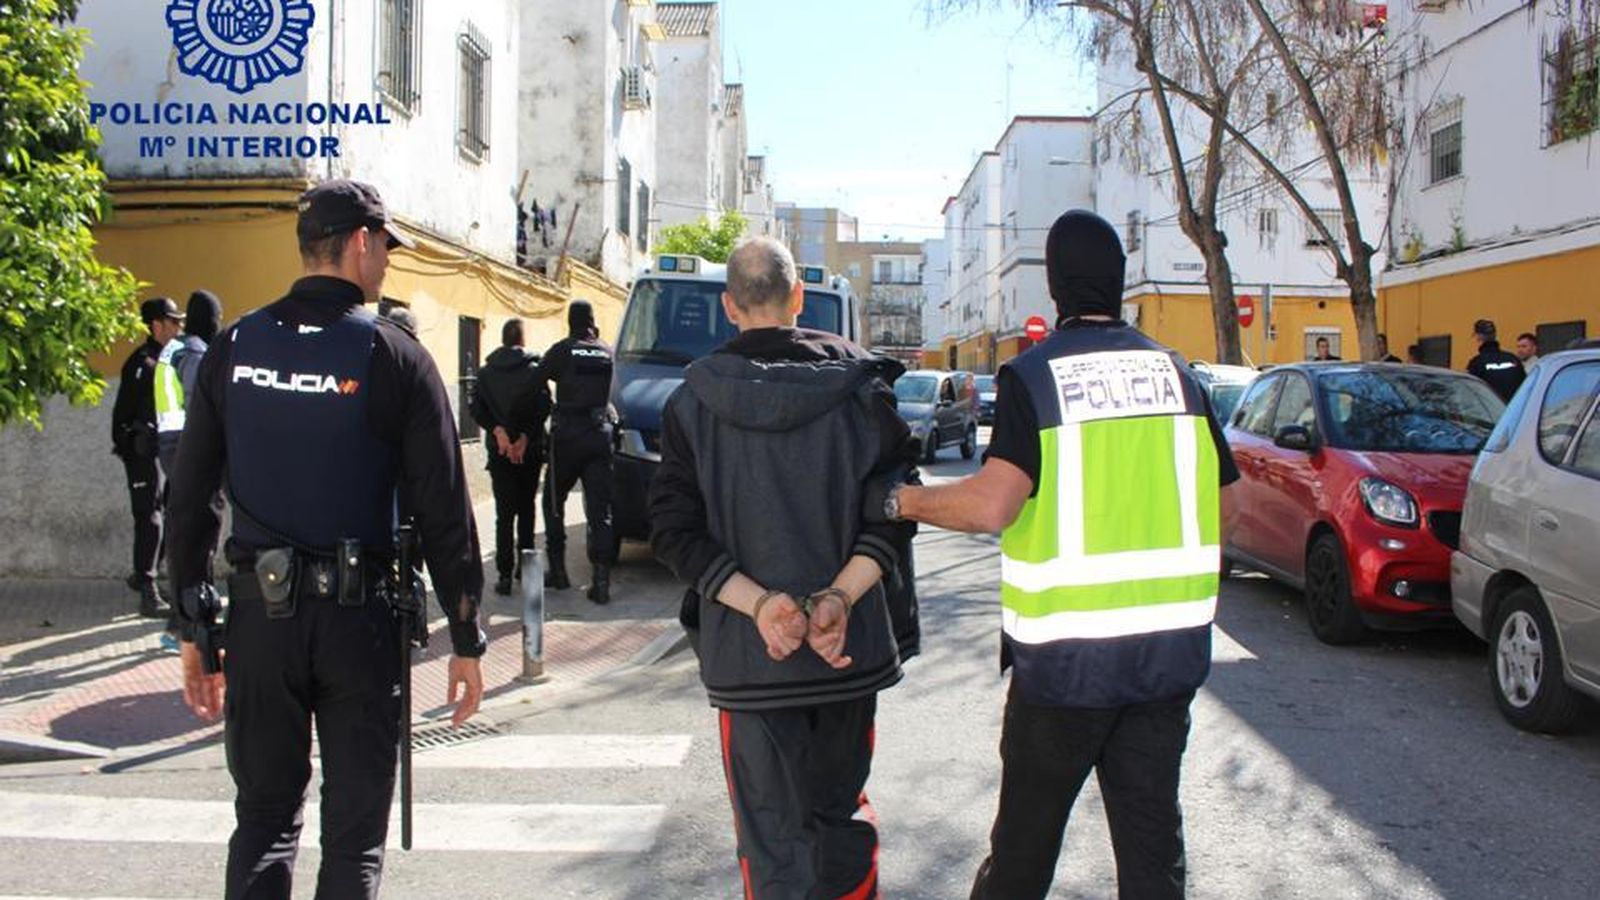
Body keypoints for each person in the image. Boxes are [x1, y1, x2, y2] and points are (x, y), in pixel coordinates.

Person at [870, 211, 1238, 900]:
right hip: (1165, 663)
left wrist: (901, 503)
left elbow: (991, 506)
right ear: (1120, 285)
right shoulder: (1180, 378)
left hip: (1066, 671)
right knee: (1153, 854)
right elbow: (1229, 509)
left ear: (1057, 290)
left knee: (1023, 854)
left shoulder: (1036, 377)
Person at [165, 179, 487, 900]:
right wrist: (465, 635)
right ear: (360, 243)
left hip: (259, 621)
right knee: (352, 838)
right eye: (384, 250)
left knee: (266, 820)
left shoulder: (235, 344)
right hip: (359, 626)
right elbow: (444, 512)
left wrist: (192, 624)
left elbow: (188, 500)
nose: (386, 266)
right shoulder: (395, 356)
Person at [650, 236, 916, 899]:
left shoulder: (690, 403)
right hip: (846, 653)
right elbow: (894, 508)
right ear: (798, 298)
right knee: (841, 818)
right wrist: (839, 598)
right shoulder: (863, 389)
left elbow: (674, 532)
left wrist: (761, 606)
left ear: (729, 308)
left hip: (750, 661)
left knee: (772, 844)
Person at [152, 290, 225, 649]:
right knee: (201, 529)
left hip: (169, 446)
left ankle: (182, 619)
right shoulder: (196, 352)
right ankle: (190, 619)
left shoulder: (173, 348)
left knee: (184, 528)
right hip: (189, 448)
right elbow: (202, 403)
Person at [534, 300, 617, 602]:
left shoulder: (563, 349)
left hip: (567, 437)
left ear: (570, 321)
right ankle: (601, 581)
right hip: (599, 435)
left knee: (553, 502)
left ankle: (558, 573)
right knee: (600, 510)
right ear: (593, 320)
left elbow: (535, 382)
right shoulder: (607, 351)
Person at [112, 297, 185, 618]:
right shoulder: (141, 363)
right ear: (156, 325)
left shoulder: (168, 360)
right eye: (173, 322)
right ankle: (148, 587)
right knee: (149, 516)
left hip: (165, 448)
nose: (178, 327)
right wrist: (131, 444)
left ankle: (147, 573)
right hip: (140, 450)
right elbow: (122, 416)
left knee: (171, 510)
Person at [470, 318, 552, 596]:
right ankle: (526, 571)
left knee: (503, 513)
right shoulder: (535, 370)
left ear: (503, 339)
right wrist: (525, 438)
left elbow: (476, 408)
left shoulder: (486, 372)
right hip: (528, 452)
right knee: (527, 508)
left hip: (500, 450)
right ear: (522, 340)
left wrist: (499, 433)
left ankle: (504, 575)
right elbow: (544, 406)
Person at [1467, 318, 1526, 403]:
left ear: (1478, 337)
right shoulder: (1513, 359)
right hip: (1515, 411)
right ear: (1495, 335)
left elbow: (1470, 394)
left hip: (1491, 413)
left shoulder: (1477, 363)